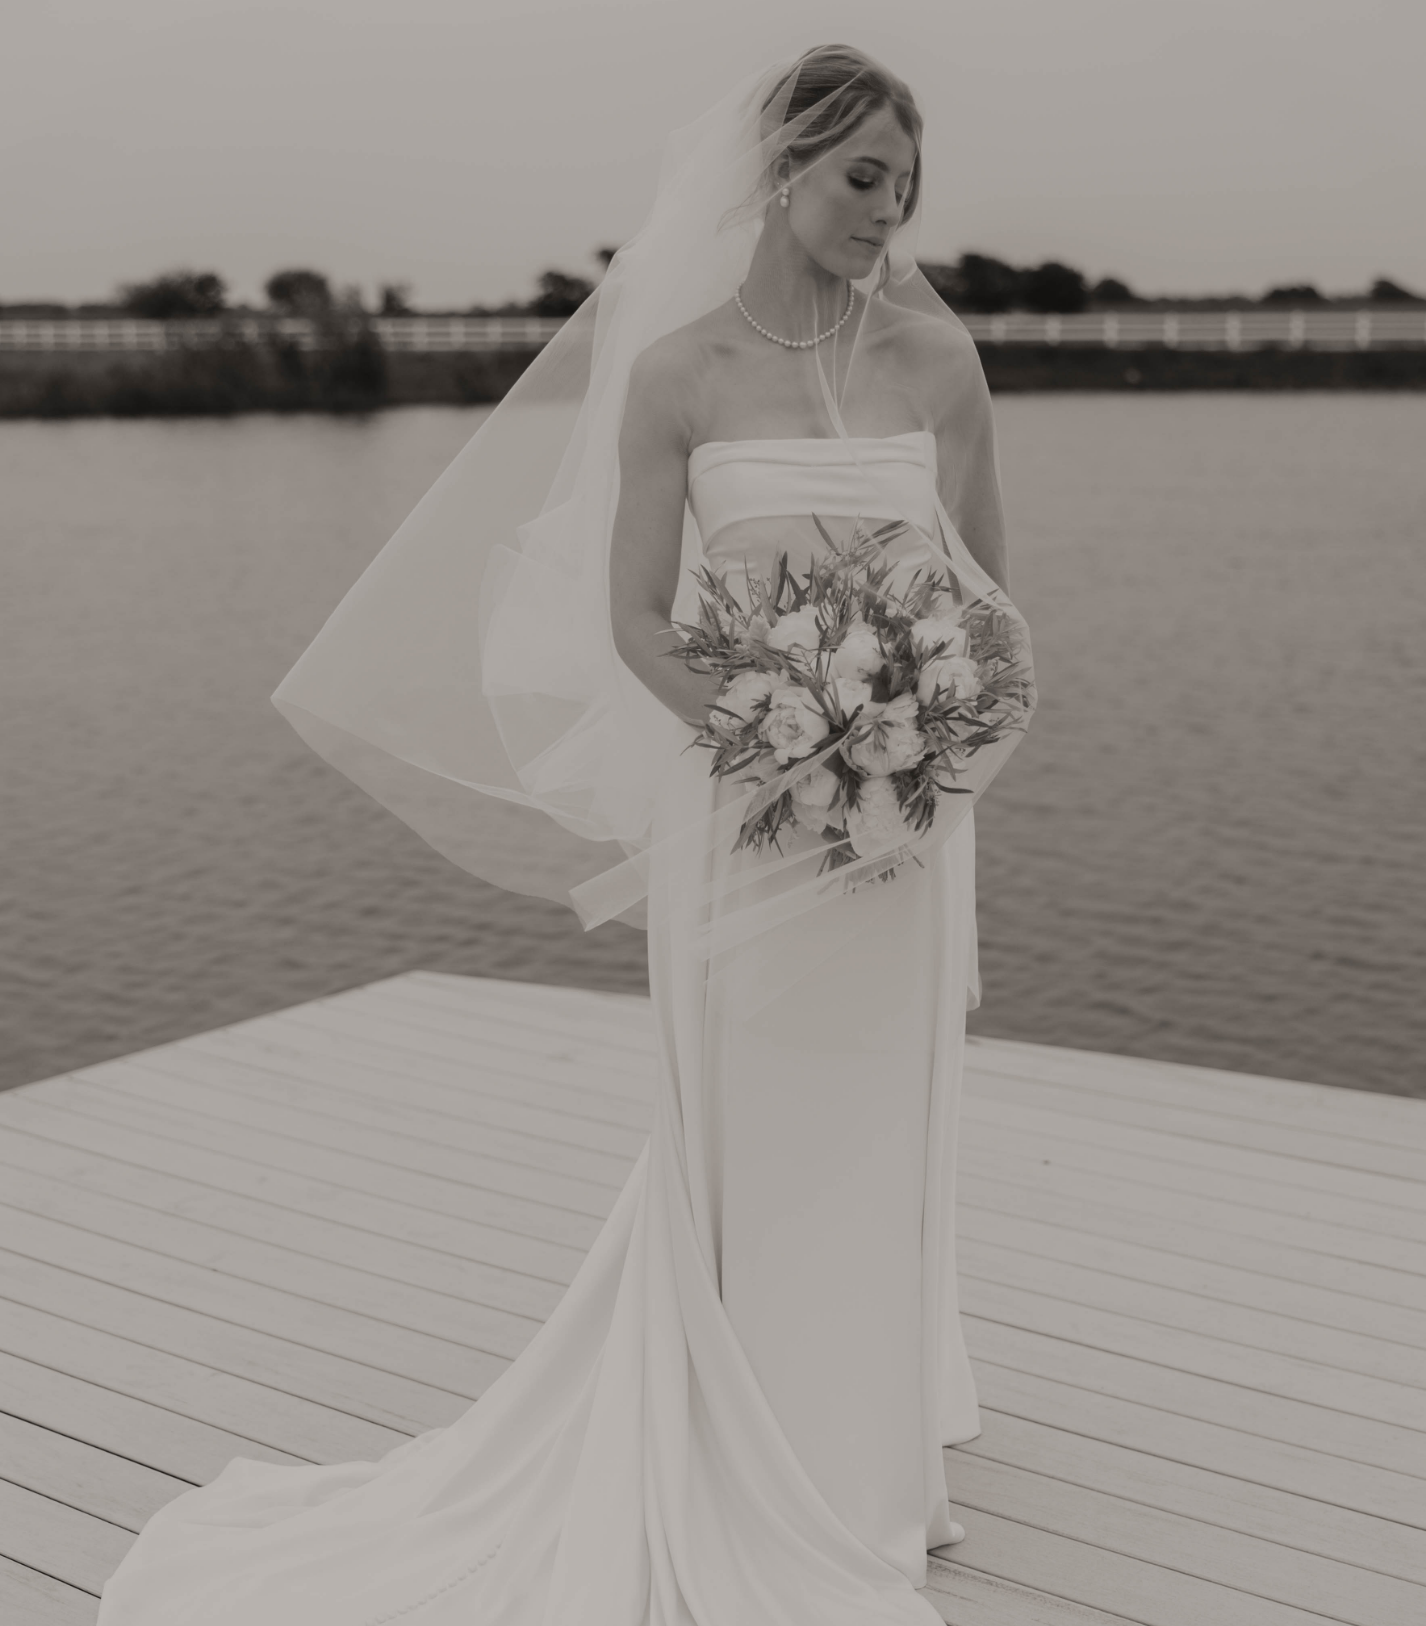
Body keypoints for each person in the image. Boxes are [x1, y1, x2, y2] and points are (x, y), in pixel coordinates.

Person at [98, 44, 1034, 1626]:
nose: (889, 214)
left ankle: (868, 1465)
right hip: (749, 815)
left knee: (890, 1132)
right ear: (785, 169)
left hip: (900, 834)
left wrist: (920, 755)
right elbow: (627, 618)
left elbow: (990, 612)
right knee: (748, 1132)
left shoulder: (936, 367)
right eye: (862, 178)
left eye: (906, 187)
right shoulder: (676, 373)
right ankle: (744, 1447)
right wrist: (776, 740)